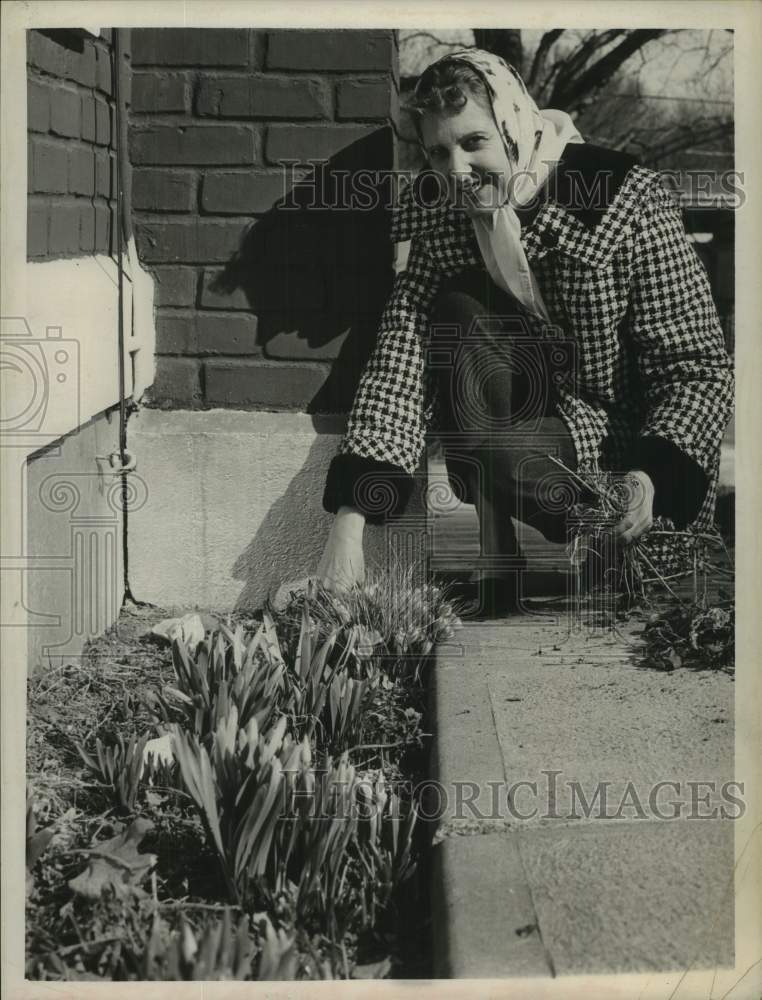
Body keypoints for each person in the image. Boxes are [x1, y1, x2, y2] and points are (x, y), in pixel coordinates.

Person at [315, 47, 734, 615]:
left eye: (473, 142)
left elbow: (697, 367)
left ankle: (618, 540)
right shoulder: (447, 216)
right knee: (456, 311)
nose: (456, 171)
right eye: (438, 151)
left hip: (628, 440)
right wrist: (349, 523)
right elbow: (401, 358)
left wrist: (651, 476)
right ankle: (498, 553)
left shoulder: (626, 198)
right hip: (528, 422)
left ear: (513, 123)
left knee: (502, 457)